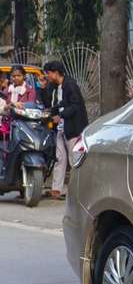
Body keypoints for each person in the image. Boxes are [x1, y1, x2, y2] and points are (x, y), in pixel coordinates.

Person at [43, 60, 89, 200]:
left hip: (73, 128)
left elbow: (76, 106)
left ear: (56, 73)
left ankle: (78, 191)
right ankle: (56, 189)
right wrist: (52, 110)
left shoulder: (71, 85)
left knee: (74, 159)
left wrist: (60, 115)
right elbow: (60, 103)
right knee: (60, 158)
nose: (47, 76)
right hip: (62, 128)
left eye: (49, 73)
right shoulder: (57, 86)